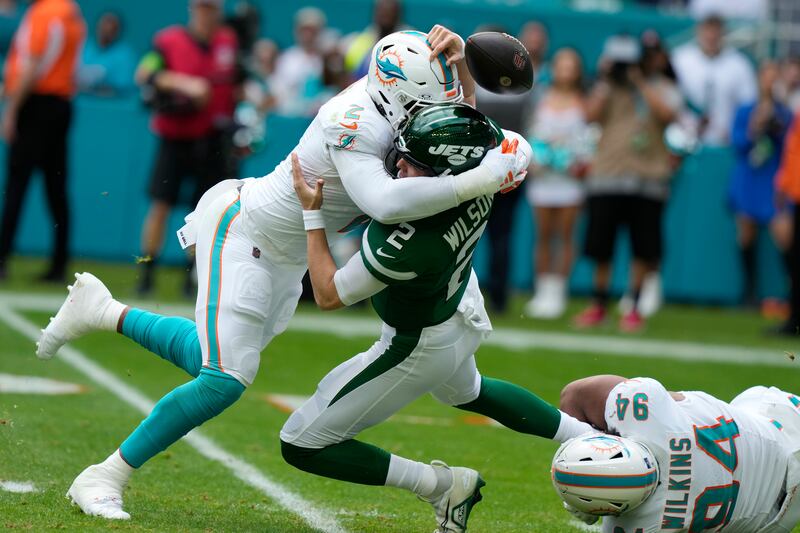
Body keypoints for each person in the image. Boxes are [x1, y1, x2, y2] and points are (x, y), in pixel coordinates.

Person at [35, 27, 529, 520]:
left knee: (220, 358)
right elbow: (385, 201)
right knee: (224, 377)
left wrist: (463, 68)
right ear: (396, 91)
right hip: (246, 234)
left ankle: (102, 310)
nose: (432, 115)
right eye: (425, 103)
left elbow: (473, 128)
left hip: (287, 251)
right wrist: (484, 178)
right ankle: (103, 475)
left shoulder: (399, 98)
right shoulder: (351, 118)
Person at [280, 104, 592, 533]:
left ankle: (441, 485)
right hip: (460, 302)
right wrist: (461, 64)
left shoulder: (405, 240)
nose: (399, 166)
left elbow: (329, 294)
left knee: (301, 443)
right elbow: (499, 138)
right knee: (470, 392)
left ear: (445, 174)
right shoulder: (484, 163)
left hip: (418, 342)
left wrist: (311, 215)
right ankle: (588, 437)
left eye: (414, 165)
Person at [553, 375, 800, 532]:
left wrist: (584, 494)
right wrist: (579, 439)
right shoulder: (644, 407)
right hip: (783, 422)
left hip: (774, 518)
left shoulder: (643, 525)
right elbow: (576, 394)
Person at [573, 34, 682, 333]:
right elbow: (589, 115)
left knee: (643, 248)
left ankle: (633, 306)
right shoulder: (608, 87)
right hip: (607, 175)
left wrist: (640, 82)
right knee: (601, 246)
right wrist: (605, 78)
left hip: (649, 178)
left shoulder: (664, 87)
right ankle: (598, 305)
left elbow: (668, 115)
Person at [134, 0, 241, 297]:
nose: (207, 13)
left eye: (212, 8)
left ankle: (192, 276)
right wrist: (184, 83)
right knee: (161, 204)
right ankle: (147, 272)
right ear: (193, 9)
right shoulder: (169, 40)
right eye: (202, 7)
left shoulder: (227, 41)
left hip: (211, 139)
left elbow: (235, 83)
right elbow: (144, 72)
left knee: (207, 211)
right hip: (176, 135)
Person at [0, 0, 85, 282]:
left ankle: (2, 257)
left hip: (37, 105)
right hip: (60, 105)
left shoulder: (45, 13)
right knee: (56, 188)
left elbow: (34, 64)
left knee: (17, 185)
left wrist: (12, 107)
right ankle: (60, 264)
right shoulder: (70, 13)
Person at [524, 48, 590, 319]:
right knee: (543, 235)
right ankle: (542, 292)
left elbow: (589, 138)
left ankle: (558, 292)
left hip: (570, 181)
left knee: (565, 235)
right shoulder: (540, 97)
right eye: (561, 65)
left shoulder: (585, 101)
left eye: (571, 66)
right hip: (543, 178)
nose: (566, 71)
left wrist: (578, 161)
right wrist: (536, 158)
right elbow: (530, 132)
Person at [729, 61, 793, 307]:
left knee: (785, 236)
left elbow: (786, 145)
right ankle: (749, 292)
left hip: (773, 180)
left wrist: (776, 121)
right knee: (746, 235)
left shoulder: (784, 112)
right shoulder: (746, 110)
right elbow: (739, 145)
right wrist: (754, 127)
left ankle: (792, 293)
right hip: (749, 178)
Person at [672, 14, 757, 146]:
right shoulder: (680, 60)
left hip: (723, 142)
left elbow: (748, 103)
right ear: (698, 31)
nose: (711, 37)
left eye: (715, 32)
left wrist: (735, 132)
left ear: (723, 34)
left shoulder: (739, 64)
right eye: (707, 31)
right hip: (683, 139)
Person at [270, 7, 328, 117]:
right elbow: (278, 93)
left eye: (312, 31)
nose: (308, 35)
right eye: (304, 30)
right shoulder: (287, 59)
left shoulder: (327, 58)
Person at [774, 112, 800, 336]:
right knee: (793, 259)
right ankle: (793, 319)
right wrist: (783, 187)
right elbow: (792, 154)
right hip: (796, 196)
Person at [78, 11, 136, 96]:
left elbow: (123, 86)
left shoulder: (125, 55)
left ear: (118, 31)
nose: (106, 30)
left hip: (110, 106)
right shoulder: (85, 47)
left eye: (112, 27)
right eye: (103, 25)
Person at [343, 0, 406, 80]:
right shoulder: (360, 41)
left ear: (398, 14)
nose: (386, 15)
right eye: (382, 11)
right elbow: (349, 74)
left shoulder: (409, 41)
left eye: (390, 12)